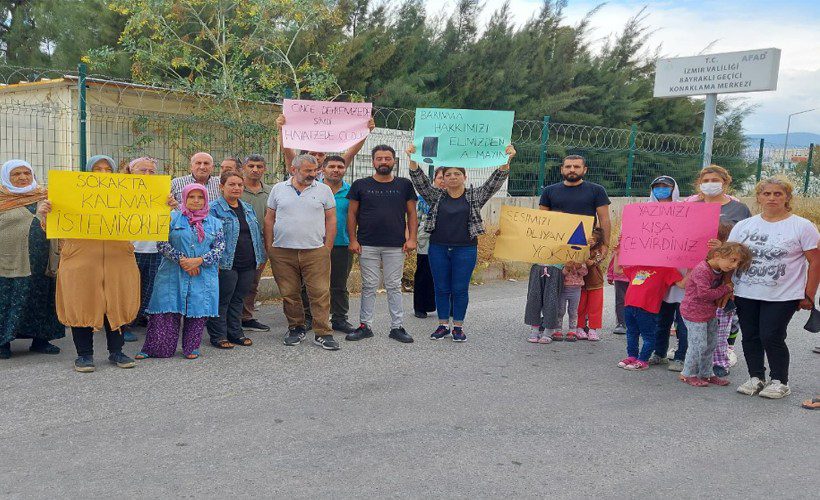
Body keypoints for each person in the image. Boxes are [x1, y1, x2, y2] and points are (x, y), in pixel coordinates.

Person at [407, 144, 515, 342]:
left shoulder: (474, 196)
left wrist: (506, 161)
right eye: (448, 174)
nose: (453, 177)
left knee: (459, 288)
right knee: (441, 288)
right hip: (438, 248)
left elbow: (494, 183)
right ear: (443, 179)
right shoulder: (436, 196)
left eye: (457, 173)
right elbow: (420, 181)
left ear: (465, 177)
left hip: (465, 250)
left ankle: (458, 326)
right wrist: (412, 158)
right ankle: (442, 325)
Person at [45, 155, 140, 372]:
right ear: (88, 173)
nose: (103, 173)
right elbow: (50, 228)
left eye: (108, 169)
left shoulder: (127, 195)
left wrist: (163, 206)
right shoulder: (70, 195)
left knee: (116, 302)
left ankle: (117, 351)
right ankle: (84, 355)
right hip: (80, 259)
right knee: (82, 302)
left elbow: (146, 219)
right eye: (98, 169)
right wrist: (47, 214)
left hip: (119, 259)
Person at [729, 178, 819, 399]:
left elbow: (815, 261)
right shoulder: (744, 226)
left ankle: (780, 380)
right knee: (750, 335)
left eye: (778, 194)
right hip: (745, 292)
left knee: (771, 335)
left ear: (787, 197)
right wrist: (727, 286)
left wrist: (809, 294)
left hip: (783, 294)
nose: (771, 198)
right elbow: (730, 256)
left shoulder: (802, 226)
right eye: (766, 194)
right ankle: (756, 377)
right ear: (758, 197)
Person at [527, 154, 612, 343]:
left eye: (576, 166)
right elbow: (542, 222)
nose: (572, 170)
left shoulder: (597, 191)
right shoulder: (549, 191)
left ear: (584, 170)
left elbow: (604, 219)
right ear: (561, 169)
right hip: (557, 249)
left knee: (588, 286)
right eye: (568, 166)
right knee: (552, 286)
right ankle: (548, 324)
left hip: (586, 248)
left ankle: (584, 326)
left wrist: (604, 244)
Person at [136, 185, 224, 360]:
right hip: (172, 271)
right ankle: (157, 348)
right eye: (192, 197)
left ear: (206, 200)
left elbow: (219, 248)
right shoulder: (172, 219)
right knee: (165, 308)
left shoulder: (215, 222)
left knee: (198, 308)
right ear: (184, 198)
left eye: (200, 197)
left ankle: (192, 347)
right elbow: (161, 243)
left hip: (202, 273)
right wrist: (183, 260)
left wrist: (198, 261)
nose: (196, 200)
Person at [265, 155, 338, 350]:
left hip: (315, 251)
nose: (312, 174)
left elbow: (331, 219)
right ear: (293, 169)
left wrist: (327, 247)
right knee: (289, 293)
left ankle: (323, 333)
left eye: (315, 171)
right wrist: (269, 247)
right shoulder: (278, 189)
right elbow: (269, 218)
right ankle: (296, 327)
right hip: (282, 251)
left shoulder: (324, 190)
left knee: (320, 293)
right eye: (307, 171)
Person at [346, 145, 418, 343]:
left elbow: (412, 213)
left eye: (387, 158)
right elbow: (352, 214)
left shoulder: (404, 185)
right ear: (373, 162)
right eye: (379, 158)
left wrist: (412, 238)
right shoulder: (360, 185)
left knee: (394, 285)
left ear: (394, 161)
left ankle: (397, 327)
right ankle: (365, 326)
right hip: (367, 244)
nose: (384, 162)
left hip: (396, 245)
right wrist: (353, 239)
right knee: (369, 286)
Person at [686, 165, 751, 372]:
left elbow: (744, 244)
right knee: (693, 315)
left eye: (714, 180)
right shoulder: (690, 205)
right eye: (705, 180)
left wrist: (727, 273)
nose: (709, 184)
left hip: (726, 273)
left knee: (721, 319)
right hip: (695, 271)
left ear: (725, 182)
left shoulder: (739, 209)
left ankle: (719, 360)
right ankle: (689, 359)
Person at [0, 159, 63, 359]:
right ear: (6, 177)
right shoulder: (2, 198)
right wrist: (37, 216)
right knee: (9, 299)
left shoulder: (45, 196)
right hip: (10, 259)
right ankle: (3, 342)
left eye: (27, 173)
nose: (22, 177)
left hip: (43, 258)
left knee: (42, 297)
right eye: (16, 174)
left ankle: (41, 340)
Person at [207, 172, 266, 349]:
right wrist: (214, 261)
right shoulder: (213, 209)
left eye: (240, 185)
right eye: (232, 184)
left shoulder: (247, 207)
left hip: (248, 261)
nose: (236, 188)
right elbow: (209, 237)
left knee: (239, 299)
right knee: (223, 299)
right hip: (226, 262)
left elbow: (255, 234)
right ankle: (218, 335)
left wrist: (260, 257)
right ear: (221, 186)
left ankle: (235, 332)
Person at [678, 243, 751, 387]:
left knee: (711, 344)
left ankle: (706, 373)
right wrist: (726, 288)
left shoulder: (719, 269)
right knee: (698, 345)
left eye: (738, 262)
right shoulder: (702, 270)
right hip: (693, 312)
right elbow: (704, 294)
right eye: (733, 260)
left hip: (708, 313)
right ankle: (688, 373)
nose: (735, 265)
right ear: (717, 255)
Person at [301, 155, 357, 334]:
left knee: (339, 284)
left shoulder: (351, 192)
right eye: (331, 166)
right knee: (308, 283)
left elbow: (357, 217)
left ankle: (339, 318)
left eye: (340, 166)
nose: (336, 169)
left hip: (342, 244)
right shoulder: (310, 188)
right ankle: (308, 318)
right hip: (313, 244)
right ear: (322, 169)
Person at [644, 176, 690, 372]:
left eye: (666, 186)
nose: (661, 190)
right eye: (657, 187)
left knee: (683, 320)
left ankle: (681, 356)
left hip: (682, 273)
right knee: (660, 319)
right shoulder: (644, 212)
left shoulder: (686, 211)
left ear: (674, 188)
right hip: (657, 274)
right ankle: (659, 352)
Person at [614, 252, 684, 371]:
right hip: (630, 306)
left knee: (648, 336)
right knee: (631, 333)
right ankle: (632, 356)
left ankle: (643, 359)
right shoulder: (638, 266)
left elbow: (682, 284)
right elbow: (617, 270)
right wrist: (617, 254)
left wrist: (692, 270)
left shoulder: (667, 270)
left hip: (648, 309)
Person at [123, 157, 166, 341]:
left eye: (151, 171)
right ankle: (122, 325)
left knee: (148, 288)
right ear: (131, 171)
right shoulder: (120, 193)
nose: (147, 174)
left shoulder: (162, 193)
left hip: (154, 249)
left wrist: (171, 206)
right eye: (143, 170)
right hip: (129, 250)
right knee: (128, 290)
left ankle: (137, 318)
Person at [276, 115, 376, 175]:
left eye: (320, 154)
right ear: (305, 155)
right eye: (313, 154)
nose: (317, 157)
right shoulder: (297, 169)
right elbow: (287, 151)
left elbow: (350, 154)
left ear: (325, 157)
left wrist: (365, 132)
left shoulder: (332, 170)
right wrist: (282, 129)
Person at [239, 154, 272, 333]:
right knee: (234, 282)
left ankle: (246, 316)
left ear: (264, 169)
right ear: (243, 168)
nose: (255, 169)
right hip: (238, 244)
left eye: (259, 166)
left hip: (260, 244)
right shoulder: (235, 188)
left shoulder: (270, 192)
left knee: (253, 283)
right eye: (251, 165)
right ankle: (228, 317)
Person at [413, 167, 445, 319]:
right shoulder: (423, 198)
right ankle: (420, 307)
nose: (443, 181)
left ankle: (445, 307)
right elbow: (416, 219)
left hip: (448, 242)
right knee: (424, 274)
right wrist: (413, 238)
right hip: (426, 241)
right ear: (434, 180)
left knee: (445, 275)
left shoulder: (457, 197)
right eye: (440, 178)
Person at [577, 227, 605, 341]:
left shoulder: (601, 249)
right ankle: (579, 327)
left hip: (595, 282)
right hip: (580, 282)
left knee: (595, 306)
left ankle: (593, 329)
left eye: (594, 240)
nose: (591, 241)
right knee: (580, 306)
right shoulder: (580, 247)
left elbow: (594, 262)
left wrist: (592, 254)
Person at [555, 260, 587, 342]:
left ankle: (572, 330)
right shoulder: (563, 260)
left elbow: (585, 273)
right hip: (563, 288)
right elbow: (561, 273)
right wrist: (567, 267)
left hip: (576, 289)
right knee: (560, 310)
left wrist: (579, 267)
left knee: (573, 310)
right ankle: (558, 330)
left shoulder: (581, 260)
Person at [606, 245, 628, 335]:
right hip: (620, 277)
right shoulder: (620, 245)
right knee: (620, 301)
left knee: (636, 302)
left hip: (636, 277)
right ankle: (621, 323)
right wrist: (610, 275)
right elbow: (614, 260)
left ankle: (636, 324)